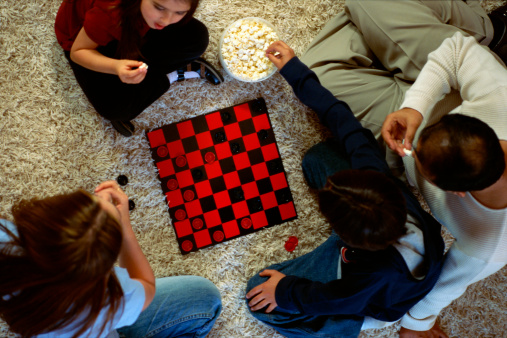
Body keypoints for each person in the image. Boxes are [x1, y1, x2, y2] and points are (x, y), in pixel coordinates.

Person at [300, 1, 507, 336]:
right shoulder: (501, 95)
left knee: (314, 71)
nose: (409, 143)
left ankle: (387, 39)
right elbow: (455, 52)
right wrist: (415, 109)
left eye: (418, 158)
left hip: (414, 102)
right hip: (440, 94)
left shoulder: (492, 244)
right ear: (478, 126)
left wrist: (417, 324)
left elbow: (446, 285)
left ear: (457, 190)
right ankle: (493, 31)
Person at [245, 41, 445, 338]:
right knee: (317, 159)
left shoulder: (372, 274)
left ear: (345, 239)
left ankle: (352, 325)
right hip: (375, 243)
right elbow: (340, 116)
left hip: (378, 294)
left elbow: (332, 297)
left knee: (257, 296)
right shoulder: (377, 175)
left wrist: (285, 291)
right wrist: (293, 69)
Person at [0, 180, 222, 337]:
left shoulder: (6, 241)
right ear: (101, 270)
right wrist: (124, 225)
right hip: (100, 326)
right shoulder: (108, 298)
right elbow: (146, 287)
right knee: (206, 299)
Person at [54, 0, 224, 137]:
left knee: (197, 37)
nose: (166, 20)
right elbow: (79, 52)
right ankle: (173, 74)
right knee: (116, 109)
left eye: (179, 12)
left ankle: (164, 71)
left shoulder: (157, 16)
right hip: (86, 42)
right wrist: (116, 67)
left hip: (133, 20)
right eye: (159, 7)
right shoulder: (108, 12)